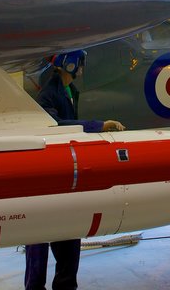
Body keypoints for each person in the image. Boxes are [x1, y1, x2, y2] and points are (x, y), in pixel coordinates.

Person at [25, 50, 124, 290]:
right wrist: (98, 125)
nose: (81, 67)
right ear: (69, 64)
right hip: (48, 177)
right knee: (38, 240)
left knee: (69, 236)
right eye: (79, 62)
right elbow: (55, 125)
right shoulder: (49, 94)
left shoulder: (69, 91)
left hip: (65, 177)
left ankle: (66, 285)